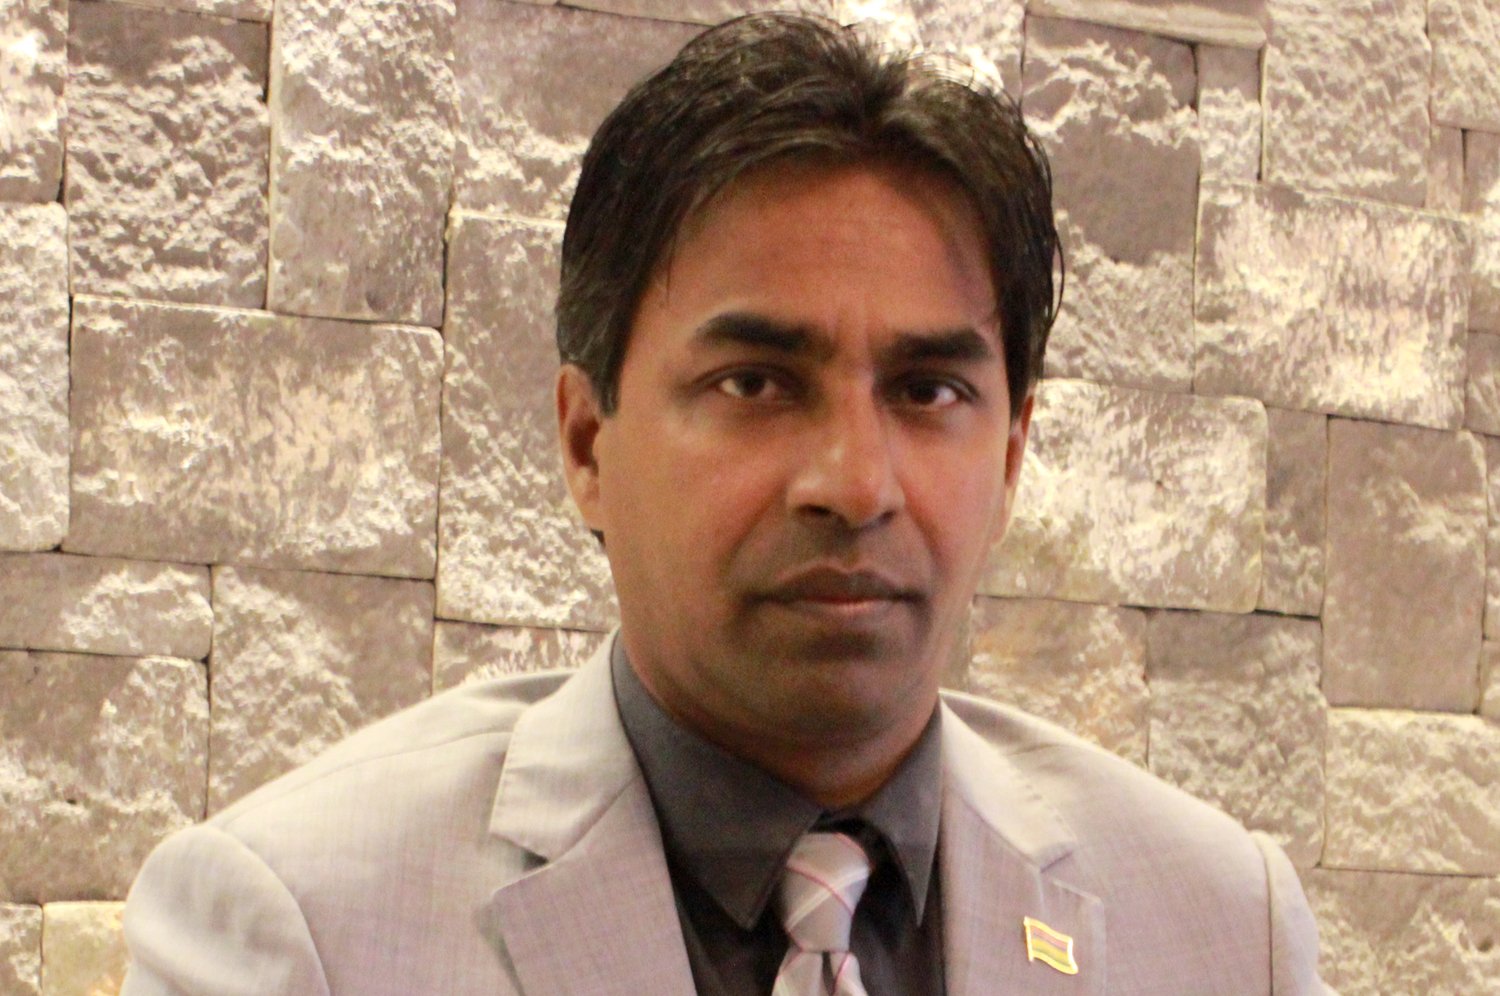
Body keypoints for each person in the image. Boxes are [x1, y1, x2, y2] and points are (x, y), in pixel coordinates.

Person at [121, 13, 1325, 995]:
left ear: (1011, 459)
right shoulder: (300, 929)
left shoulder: (1226, 929)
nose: (854, 485)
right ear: (587, 444)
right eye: (755, 383)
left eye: (927, 391)